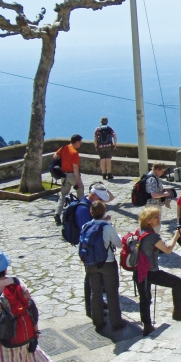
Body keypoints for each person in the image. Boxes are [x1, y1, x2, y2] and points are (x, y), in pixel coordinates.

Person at [134, 206, 181, 336]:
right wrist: (177, 235)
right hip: (150, 272)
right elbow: (168, 250)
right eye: (156, 217)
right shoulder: (152, 237)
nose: (159, 219)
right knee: (177, 282)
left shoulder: (140, 231)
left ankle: (147, 325)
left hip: (139, 270)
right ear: (149, 220)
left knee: (144, 298)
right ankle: (178, 311)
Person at [82, 200, 125, 331]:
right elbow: (119, 244)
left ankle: (98, 321)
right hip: (107, 263)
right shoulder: (107, 227)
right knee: (111, 293)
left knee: (95, 292)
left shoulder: (85, 226)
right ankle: (116, 322)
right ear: (104, 212)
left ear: (91, 212)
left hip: (91, 263)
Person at [74, 183, 115, 319]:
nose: (102, 201)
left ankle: (98, 304)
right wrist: (104, 221)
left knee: (95, 281)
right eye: (100, 198)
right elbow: (87, 231)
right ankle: (91, 309)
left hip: (95, 251)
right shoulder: (82, 209)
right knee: (90, 282)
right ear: (93, 195)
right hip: (89, 252)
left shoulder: (91, 205)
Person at [53, 134, 84, 225]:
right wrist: (78, 181)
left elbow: (55, 156)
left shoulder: (64, 148)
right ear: (77, 142)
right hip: (71, 175)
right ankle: (79, 213)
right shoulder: (74, 153)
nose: (80, 144)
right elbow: (75, 168)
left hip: (63, 175)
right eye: (80, 142)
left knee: (63, 195)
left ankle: (57, 214)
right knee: (80, 191)